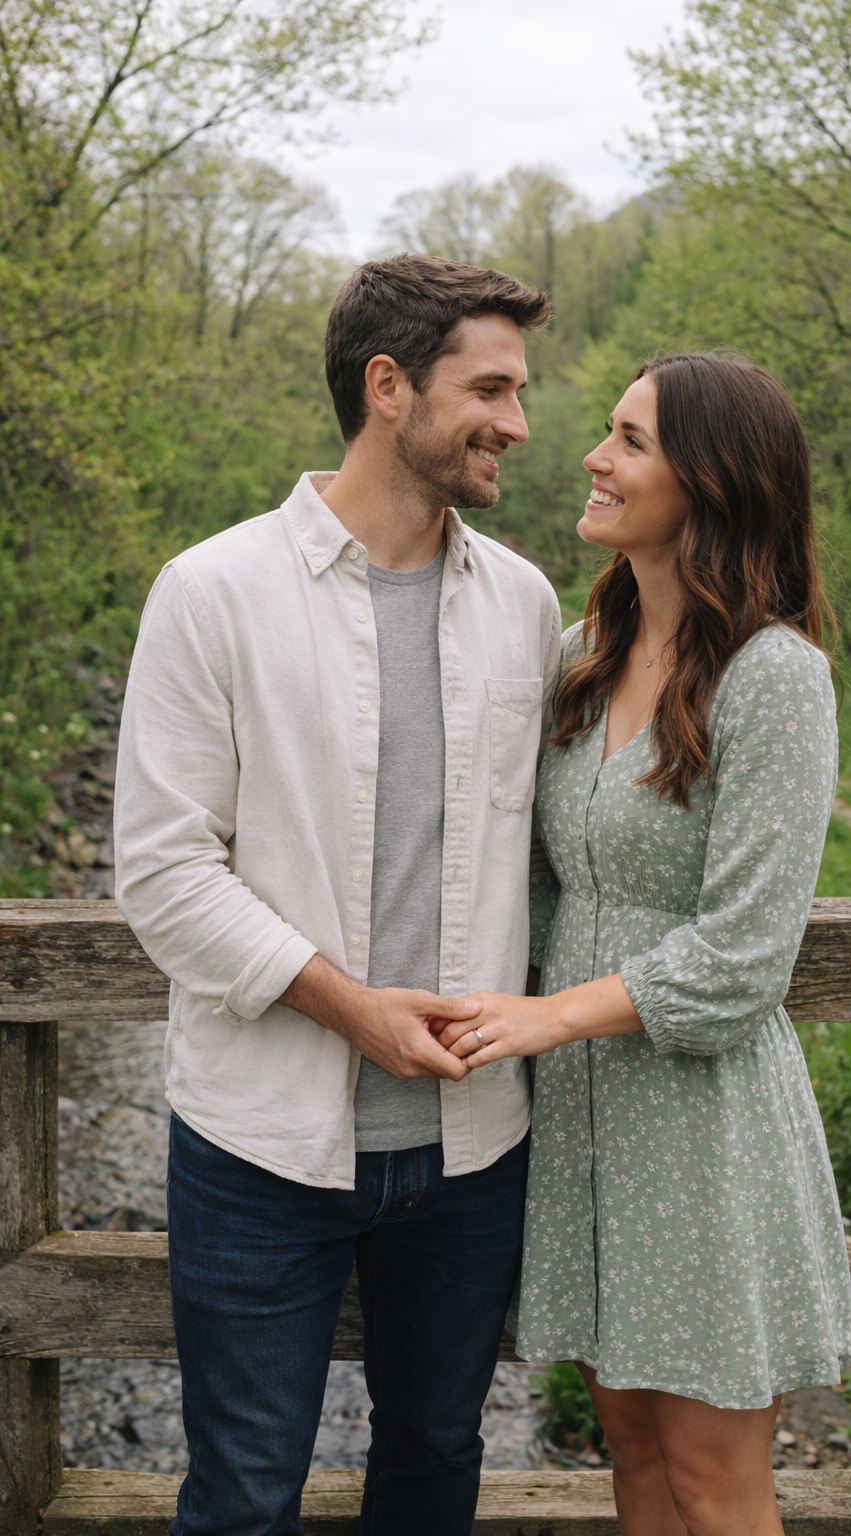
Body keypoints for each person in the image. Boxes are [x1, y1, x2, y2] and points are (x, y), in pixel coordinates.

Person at [113, 255, 562, 1536]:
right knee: (246, 1493)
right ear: (387, 387)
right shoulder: (214, 592)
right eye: (490, 389)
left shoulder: (524, 604)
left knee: (433, 1465)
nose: (518, 426)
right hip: (258, 1147)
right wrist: (348, 1007)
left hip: (473, 1148)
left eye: (518, 393)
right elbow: (161, 868)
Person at [434, 353, 851, 1536]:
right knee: (627, 1449)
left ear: (711, 482)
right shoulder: (580, 656)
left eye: (630, 440)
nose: (590, 456)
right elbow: (521, 873)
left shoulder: (774, 677)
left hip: (699, 1120)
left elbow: (743, 959)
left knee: (712, 1476)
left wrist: (543, 1016)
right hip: (580, 1119)